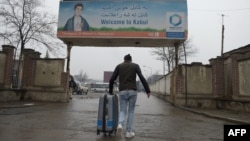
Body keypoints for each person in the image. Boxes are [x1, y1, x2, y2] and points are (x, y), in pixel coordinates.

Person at [109, 54, 150, 138]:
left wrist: (110, 91)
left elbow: (111, 79)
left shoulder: (119, 66)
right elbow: (141, 77)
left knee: (123, 110)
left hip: (122, 91)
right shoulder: (135, 66)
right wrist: (147, 90)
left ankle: (120, 125)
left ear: (124, 60)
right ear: (131, 60)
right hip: (132, 91)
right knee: (131, 111)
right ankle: (128, 132)